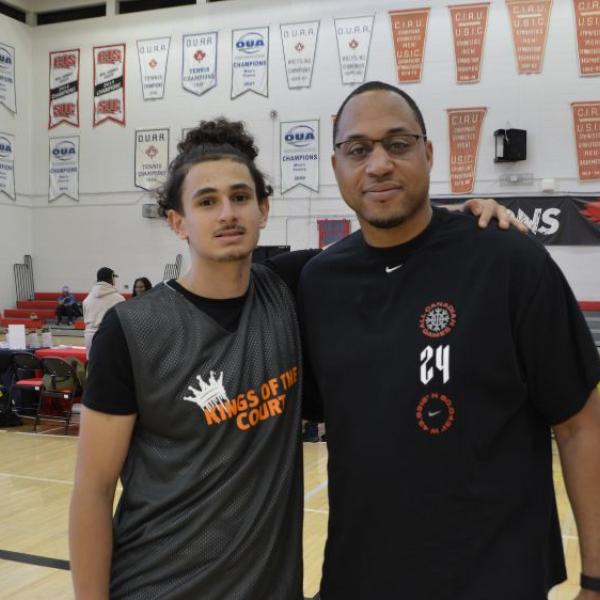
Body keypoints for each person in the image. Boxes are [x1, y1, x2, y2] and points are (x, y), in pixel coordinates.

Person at [69, 120, 523, 599]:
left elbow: (391, 235)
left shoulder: (293, 285)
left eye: (241, 197)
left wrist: (464, 214)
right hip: (156, 587)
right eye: (207, 201)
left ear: (264, 209)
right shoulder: (133, 329)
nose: (227, 213)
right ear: (177, 220)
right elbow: (93, 492)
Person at [298, 82, 600, 600]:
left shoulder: (509, 262)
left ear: (428, 152)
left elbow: (579, 425)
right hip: (358, 578)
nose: (378, 165)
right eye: (358, 149)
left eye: (398, 144)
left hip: (493, 579)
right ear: (336, 167)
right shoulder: (317, 282)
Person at [82, 267, 125, 356]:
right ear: (112, 278)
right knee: (108, 367)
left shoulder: (88, 298)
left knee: (92, 366)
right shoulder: (119, 299)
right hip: (108, 337)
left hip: (89, 336)